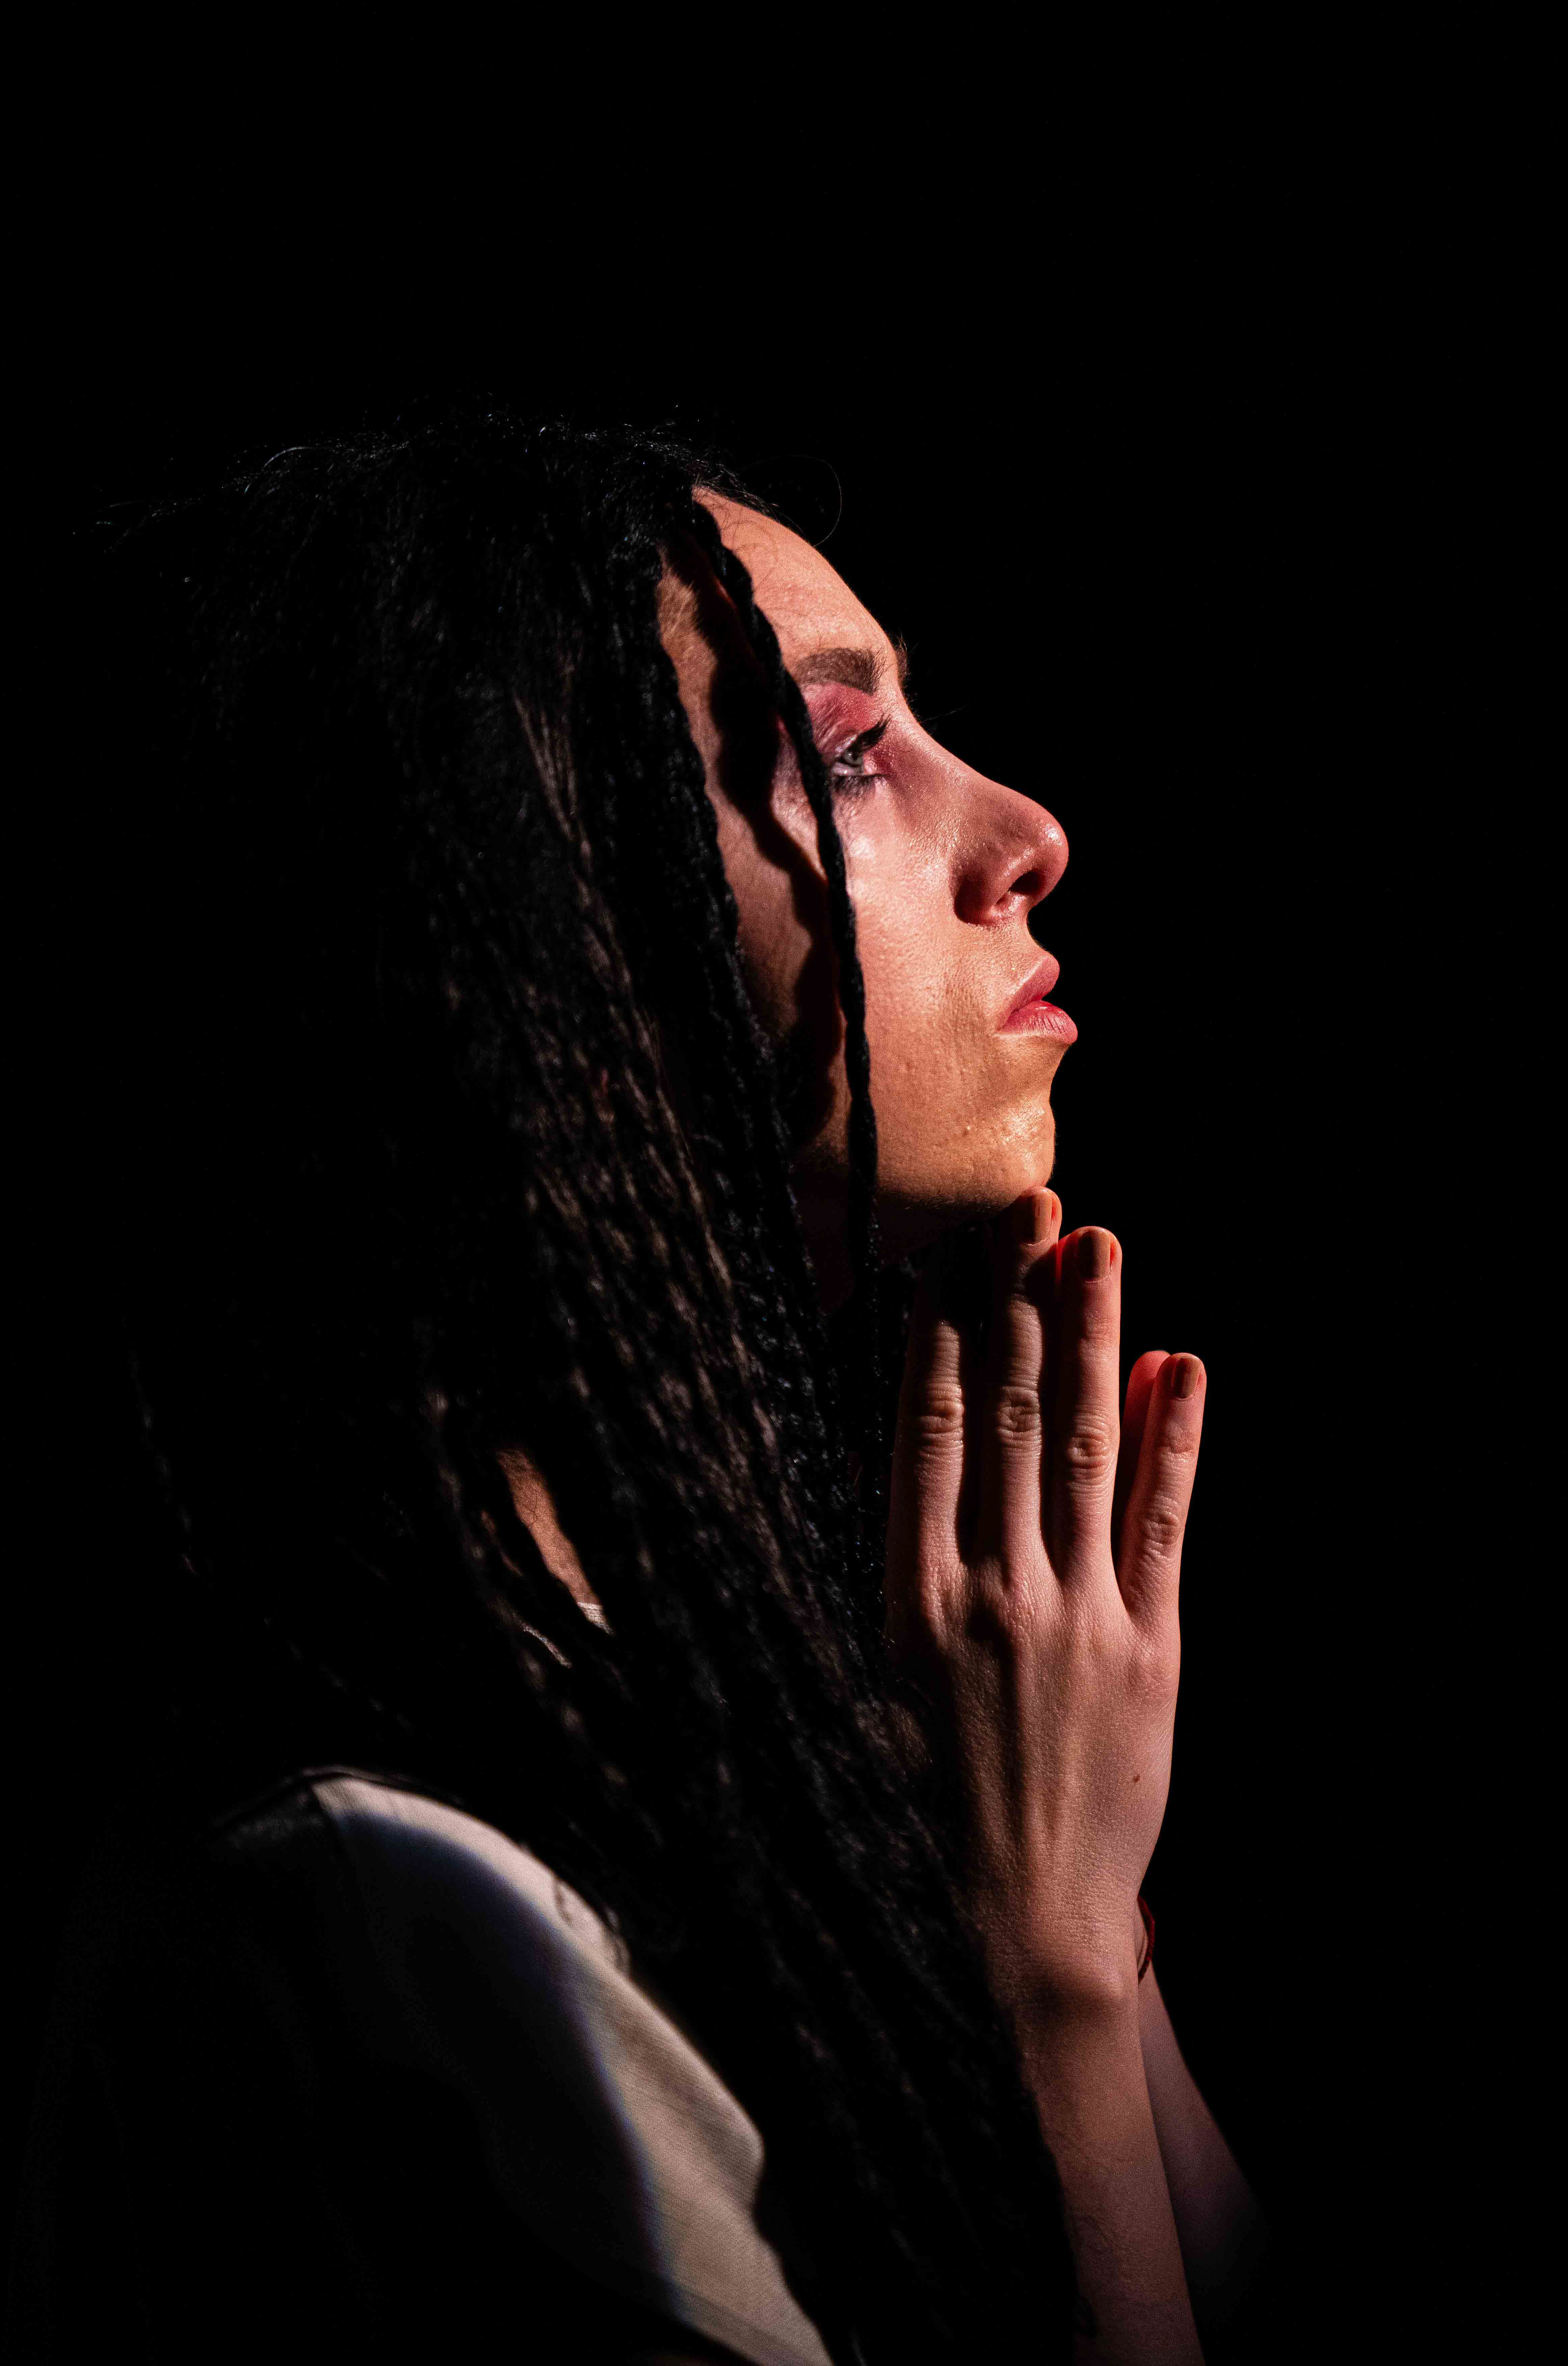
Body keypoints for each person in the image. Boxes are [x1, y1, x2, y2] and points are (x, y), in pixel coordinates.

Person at [12, 412, 1269, 2362]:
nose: (1026, 833)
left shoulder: (767, 1766)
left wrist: (1074, 1884)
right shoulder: (394, 1910)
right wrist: (1057, 1988)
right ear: (537, 945)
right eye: (843, 756)